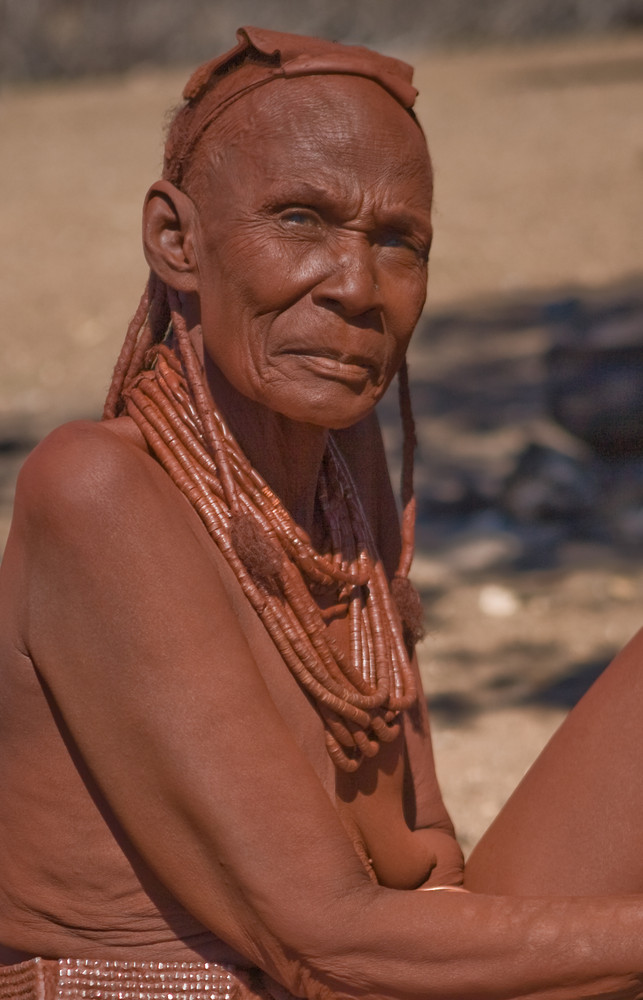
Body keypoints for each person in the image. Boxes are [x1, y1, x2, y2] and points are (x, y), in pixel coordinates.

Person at [2, 24, 643, 1000]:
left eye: (397, 242)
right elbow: (328, 953)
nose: (355, 287)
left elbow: (429, 873)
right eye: (300, 219)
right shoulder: (95, 491)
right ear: (177, 240)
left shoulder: (343, 455)